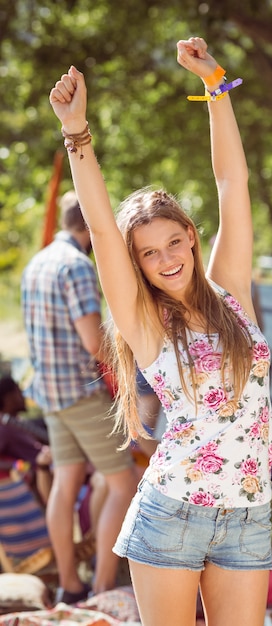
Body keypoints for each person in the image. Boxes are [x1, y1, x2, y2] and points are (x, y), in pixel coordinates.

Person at [49, 36, 272, 626]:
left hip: (249, 515)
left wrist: (215, 86)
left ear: (192, 238)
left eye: (175, 240)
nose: (168, 257)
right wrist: (78, 133)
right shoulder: (144, 320)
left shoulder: (231, 291)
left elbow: (231, 185)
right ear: (138, 265)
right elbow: (100, 228)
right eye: (149, 253)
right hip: (173, 513)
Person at [21, 191, 138, 603]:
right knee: (124, 483)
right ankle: (102, 587)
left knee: (66, 482)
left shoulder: (38, 261)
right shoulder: (77, 266)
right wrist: (130, 370)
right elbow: (94, 341)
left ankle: (70, 586)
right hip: (80, 393)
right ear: (89, 226)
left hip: (49, 395)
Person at [0, 375, 52, 504]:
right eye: (18, 392)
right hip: (44, 476)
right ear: (8, 398)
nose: (23, 397)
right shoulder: (3, 427)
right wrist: (22, 466)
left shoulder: (16, 422)